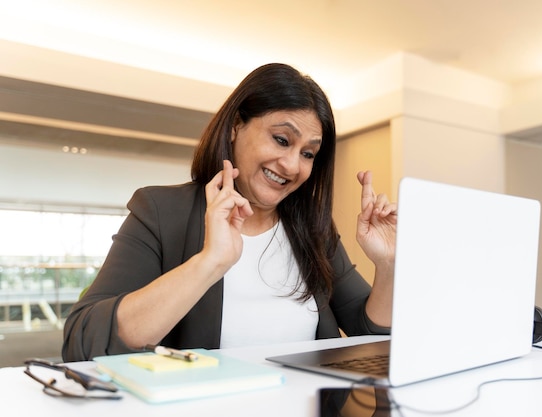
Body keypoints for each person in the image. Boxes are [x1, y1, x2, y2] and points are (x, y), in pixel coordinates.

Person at [62, 63, 397, 362]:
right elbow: (84, 341)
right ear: (236, 126)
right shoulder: (161, 211)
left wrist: (387, 265)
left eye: (308, 153)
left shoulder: (313, 231)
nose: (293, 165)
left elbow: (371, 335)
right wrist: (211, 262)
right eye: (282, 140)